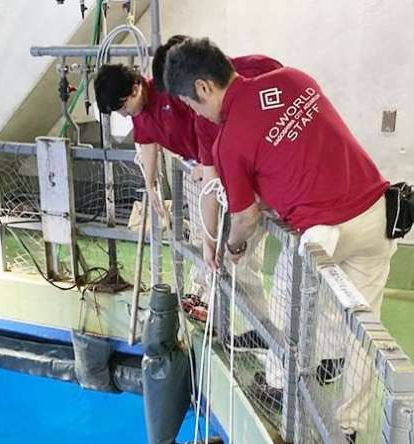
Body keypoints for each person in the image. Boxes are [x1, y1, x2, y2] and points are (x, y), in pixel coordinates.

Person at [164, 38, 396, 444]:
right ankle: (349, 426)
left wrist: (231, 248)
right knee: (363, 329)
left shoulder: (230, 141)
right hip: (377, 213)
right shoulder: (294, 79)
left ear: (204, 88)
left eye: (192, 105)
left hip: (325, 232)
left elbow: (246, 218)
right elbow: (299, 150)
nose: (197, 114)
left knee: (288, 306)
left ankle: (280, 389)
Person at [94, 43, 281, 320]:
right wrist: (151, 186)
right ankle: (208, 292)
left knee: (236, 249)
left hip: (227, 172)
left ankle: (247, 319)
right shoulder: (147, 114)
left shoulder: (177, 93)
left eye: (123, 107)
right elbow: (147, 144)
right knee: (207, 238)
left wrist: (211, 166)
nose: (125, 114)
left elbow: (208, 125)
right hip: (205, 170)